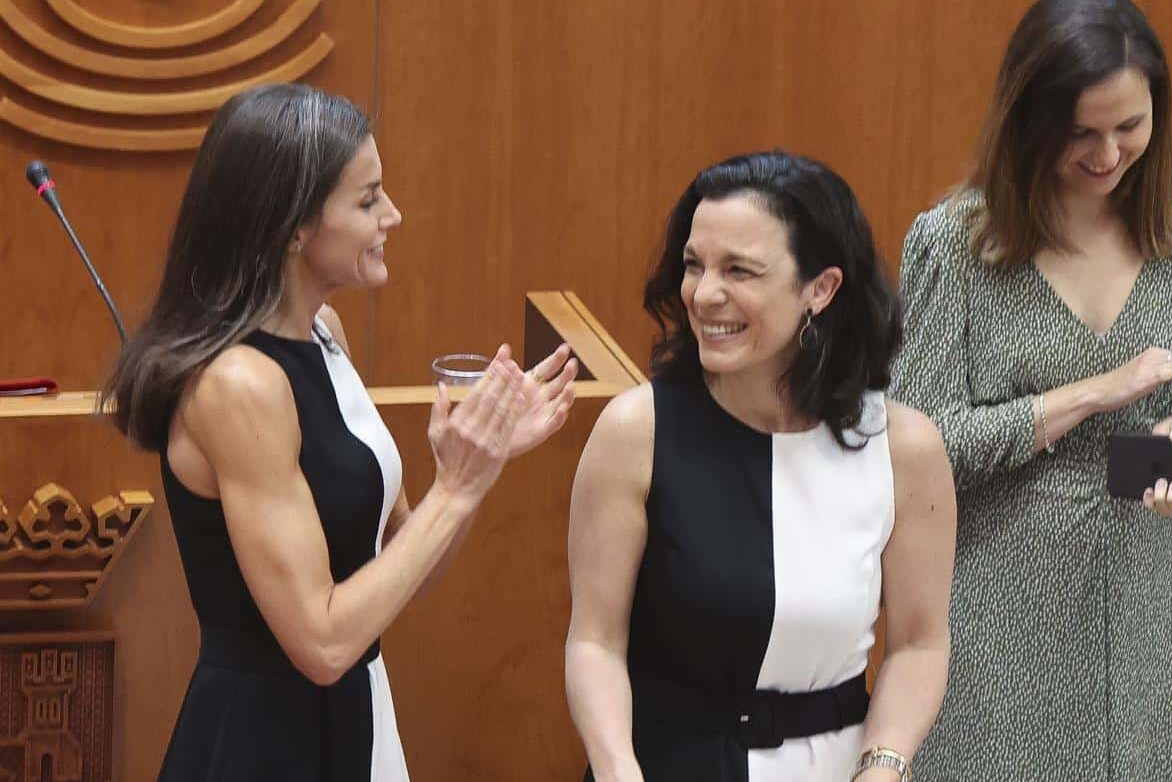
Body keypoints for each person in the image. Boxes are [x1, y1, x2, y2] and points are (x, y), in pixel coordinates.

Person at [100, 83, 577, 781]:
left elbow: (400, 564)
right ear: (293, 226)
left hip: (358, 712)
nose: (393, 215)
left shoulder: (325, 333)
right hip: (267, 745)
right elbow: (321, 644)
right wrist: (456, 486)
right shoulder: (240, 386)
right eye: (366, 200)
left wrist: (475, 468)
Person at [889, 2, 1172, 779]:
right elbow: (913, 450)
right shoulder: (956, 245)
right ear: (1028, 117)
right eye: (1080, 132)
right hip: (998, 615)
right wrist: (1087, 395)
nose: (1108, 153)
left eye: (1130, 126)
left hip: (1147, 613)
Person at [564, 151, 956, 782]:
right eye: (694, 265)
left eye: (740, 270)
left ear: (821, 290)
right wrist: (617, 770)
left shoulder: (905, 448)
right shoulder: (637, 431)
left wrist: (884, 765)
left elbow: (918, 643)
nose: (704, 294)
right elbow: (594, 640)